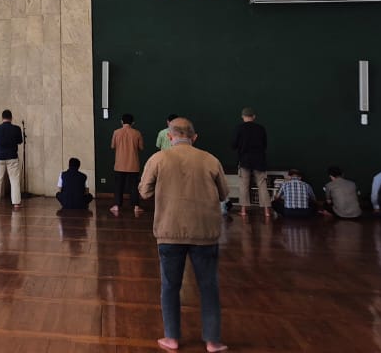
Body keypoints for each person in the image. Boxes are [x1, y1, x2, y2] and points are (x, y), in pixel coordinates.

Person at [138, 117, 230, 353]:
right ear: (195, 137)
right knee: (209, 286)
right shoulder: (210, 159)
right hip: (205, 233)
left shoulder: (159, 158)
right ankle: (213, 341)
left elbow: (145, 192)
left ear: (169, 137)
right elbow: (223, 194)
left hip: (169, 232)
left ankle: (172, 338)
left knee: (170, 286)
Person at [232, 107, 269, 218]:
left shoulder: (239, 128)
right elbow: (265, 145)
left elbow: (233, 145)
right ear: (254, 116)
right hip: (259, 159)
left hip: (244, 160)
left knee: (244, 184)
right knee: (262, 184)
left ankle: (243, 210)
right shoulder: (261, 128)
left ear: (243, 117)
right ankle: (266, 211)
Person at [0, 109, 24, 210]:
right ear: (11, 118)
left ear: (2, 117)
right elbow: (20, 141)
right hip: (12, 157)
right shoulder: (16, 129)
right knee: (14, 180)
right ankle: (16, 203)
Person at [110, 113, 144, 215]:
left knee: (118, 186)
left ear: (121, 121)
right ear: (133, 122)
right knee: (134, 186)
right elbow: (141, 147)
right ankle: (136, 207)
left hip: (119, 164)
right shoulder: (137, 133)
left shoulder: (116, 132)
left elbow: (112, 146)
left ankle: (116, 206)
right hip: (133, 165)